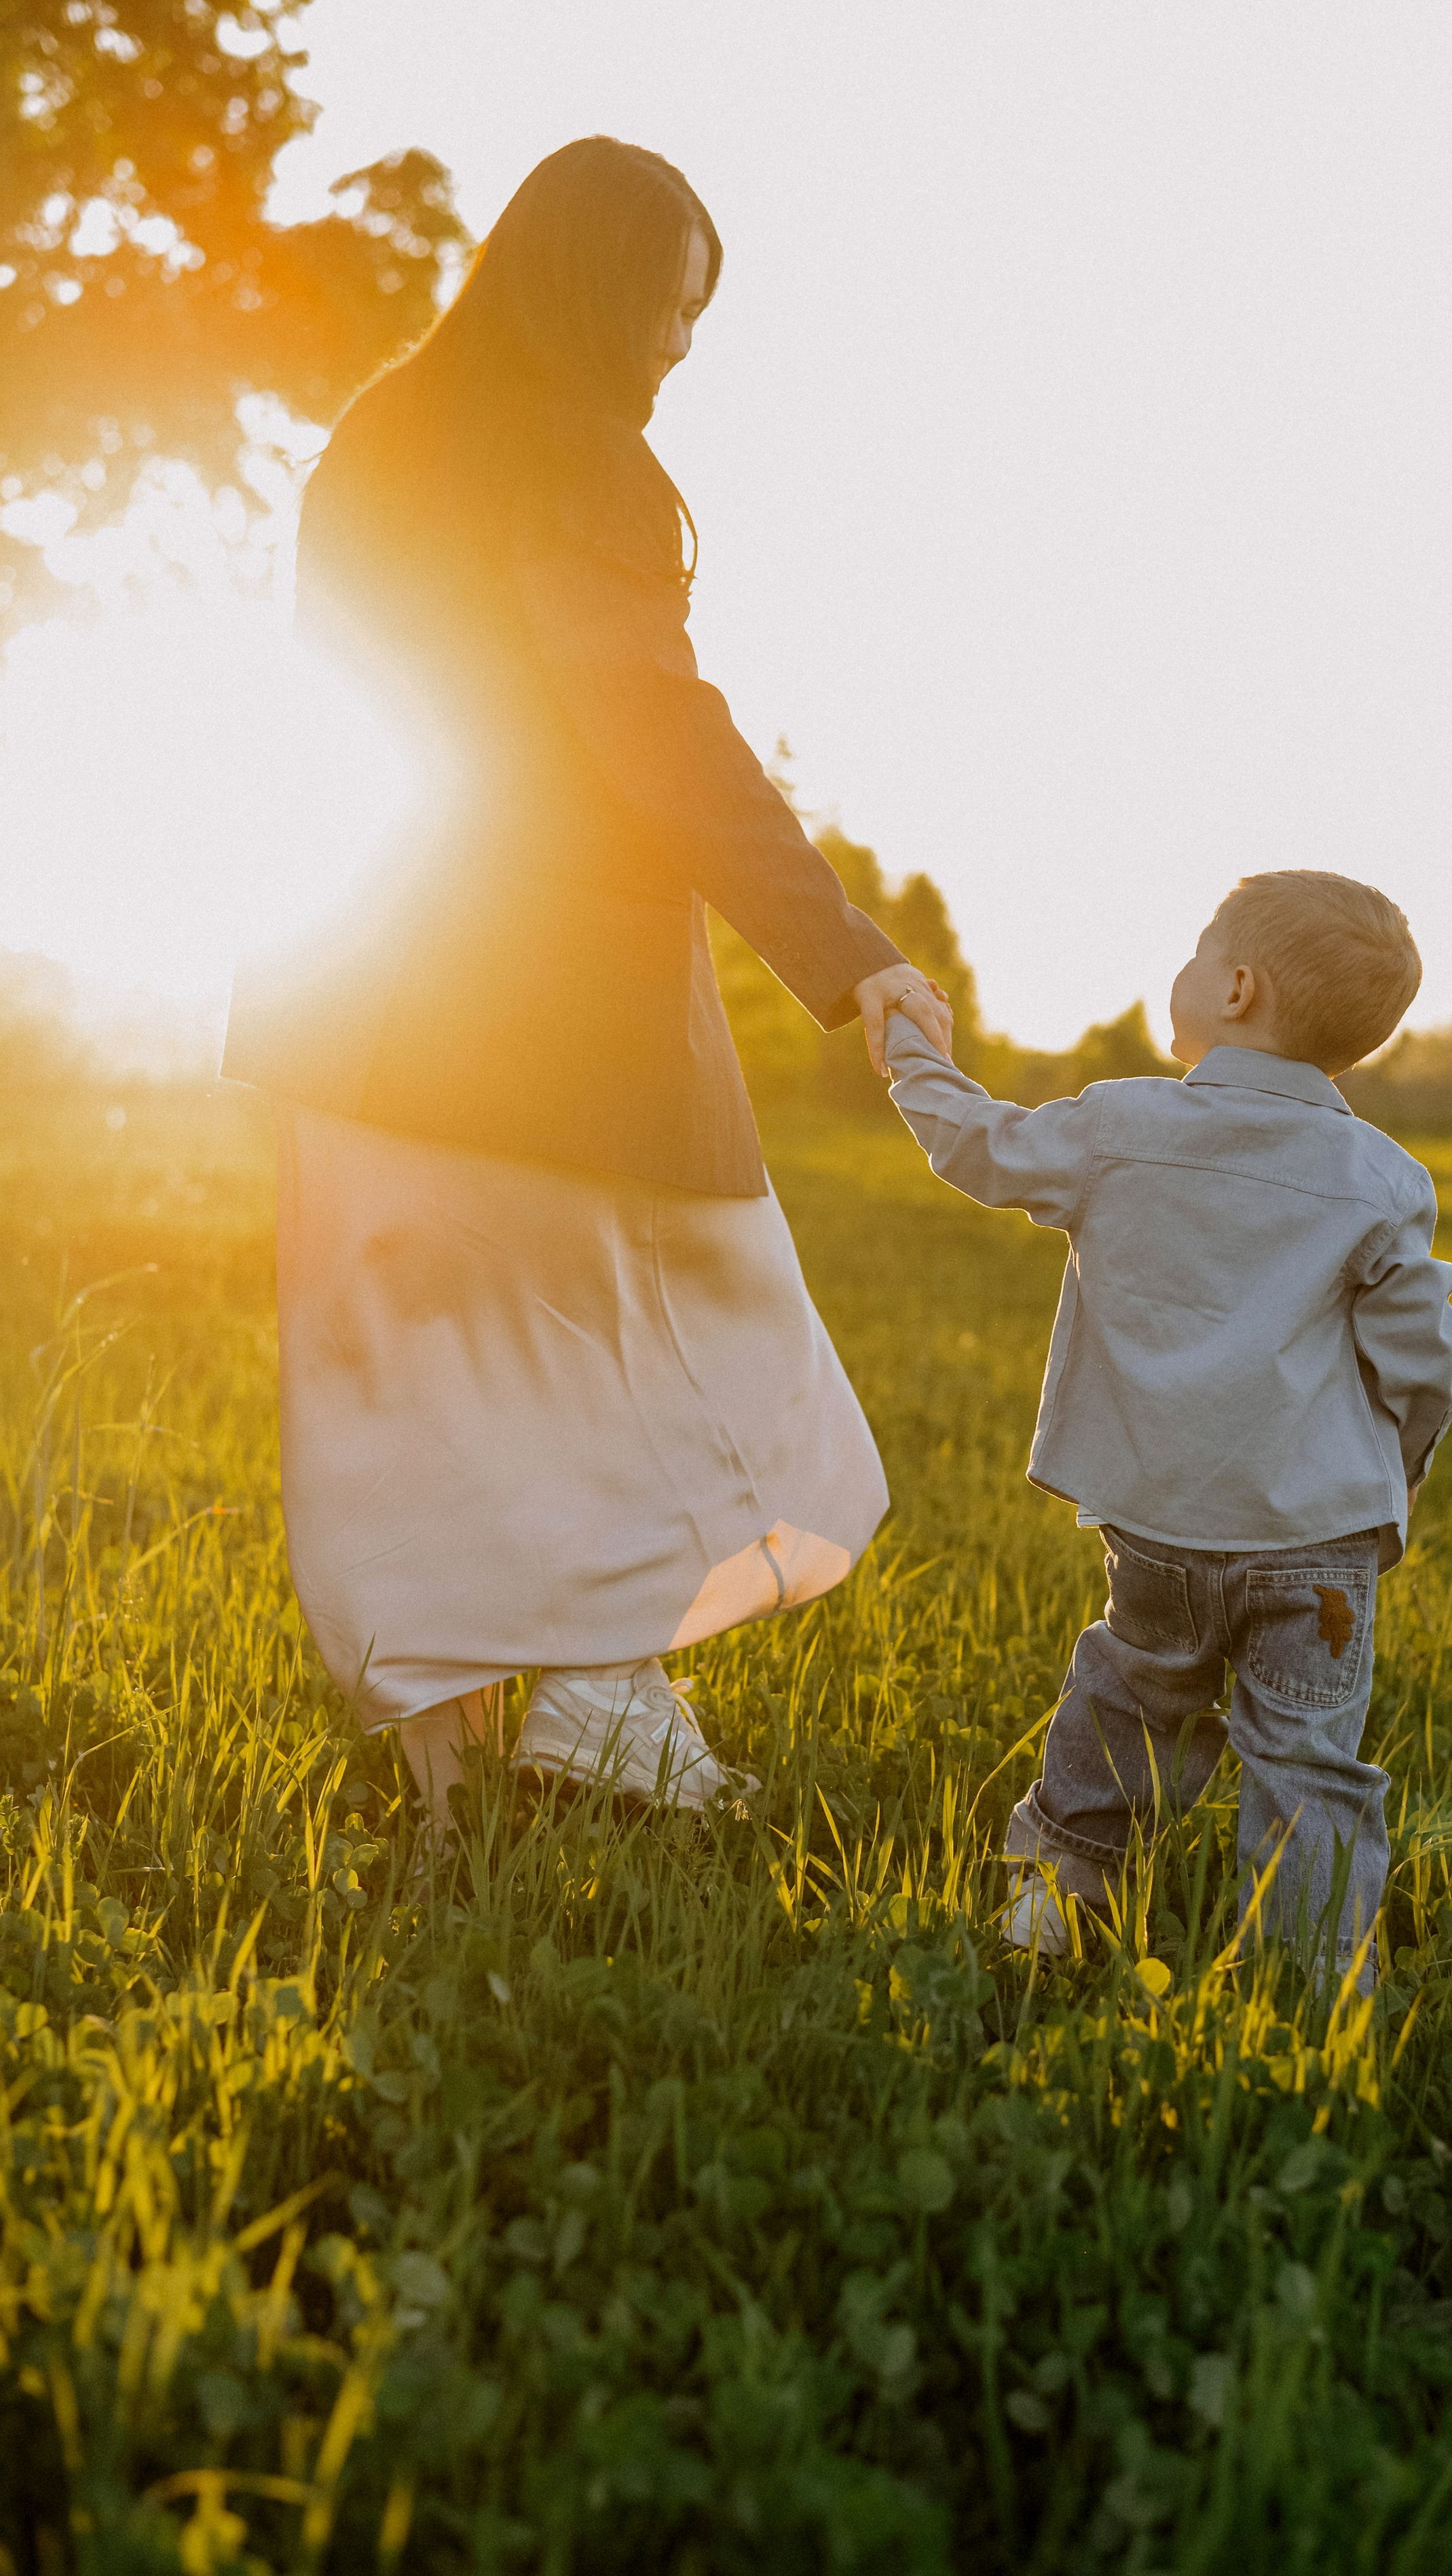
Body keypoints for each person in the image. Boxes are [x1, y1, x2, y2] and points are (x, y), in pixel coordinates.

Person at [222, 138, 952, 1834]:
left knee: (410, 1382)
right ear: (603, 284)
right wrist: (847, 957)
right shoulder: (582, 463)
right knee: (684, 1346)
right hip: (532, 1007)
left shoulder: (377, 438)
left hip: (354, 977)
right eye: (671, 306)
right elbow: (653, 729)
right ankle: (603, 1693)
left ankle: (465, 1739)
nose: (683, 346)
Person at [880, 871, 1452, 1978]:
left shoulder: (1122, 1127)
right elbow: (1425, 1362)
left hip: (1162, 1532)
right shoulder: (1381, 1177)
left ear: (1236, 988)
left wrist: (914, 1049)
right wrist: (1401, 1467)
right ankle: (1313, 1991)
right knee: (1307, 1763)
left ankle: (1054, 1913)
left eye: (1200, 952)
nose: (1189, 970)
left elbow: (980, 1145)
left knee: (1129, 1702)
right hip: (1323, 1556)